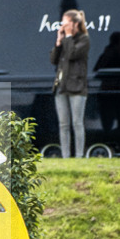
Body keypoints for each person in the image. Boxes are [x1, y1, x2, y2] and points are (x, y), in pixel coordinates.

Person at [49, 9, 90, 158]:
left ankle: (79, 156)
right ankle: (65, 156)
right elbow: (53, 59)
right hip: (61, 86)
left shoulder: (84, 40)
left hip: (77, 87)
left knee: (77, 123)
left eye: (66, 23)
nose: (63, 26)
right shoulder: (65, 40)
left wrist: (68, 36)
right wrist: (58, 42)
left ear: (75, 24)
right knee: (63, 124)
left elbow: (72, 54)